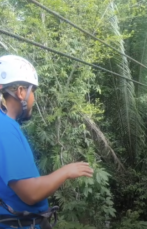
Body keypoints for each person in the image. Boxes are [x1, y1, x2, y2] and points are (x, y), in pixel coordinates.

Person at [0, 55, 94, 229]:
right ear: (21, 92)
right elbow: (31, 193)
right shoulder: (4, 129)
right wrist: (66, 171)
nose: (33, 98)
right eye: (32, 91)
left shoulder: (7, 126)